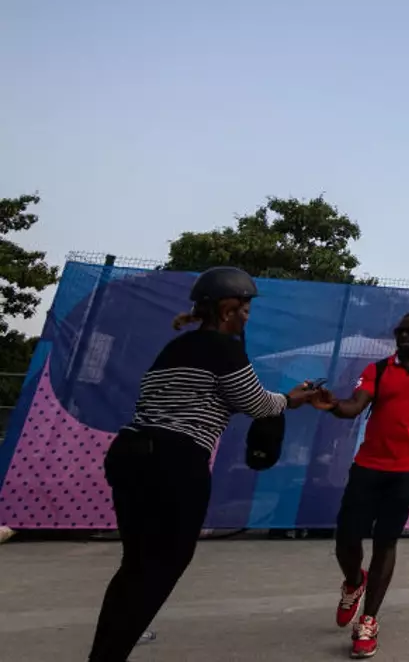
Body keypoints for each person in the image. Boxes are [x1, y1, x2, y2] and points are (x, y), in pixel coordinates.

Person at [88, 266, 320, 662]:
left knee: (137, 563)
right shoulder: (224, 349)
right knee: (165, 564)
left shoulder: (174, 348)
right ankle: (109, 654)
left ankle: (109, 646)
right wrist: (292, 399)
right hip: (174, 461)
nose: (248, 317)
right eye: (245, 310)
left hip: (129, 454)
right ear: (229, 309)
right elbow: (257, 404)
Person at [311, 312, 409, 660]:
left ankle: (369, 620)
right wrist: (332, 405)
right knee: (346, 537)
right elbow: (354, 406)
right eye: (400, 330)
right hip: (368, 466)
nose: (403, 335)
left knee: (385, 542)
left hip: (408, 471)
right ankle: (353, 581)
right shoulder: (377, 370)